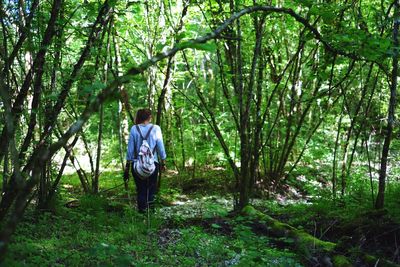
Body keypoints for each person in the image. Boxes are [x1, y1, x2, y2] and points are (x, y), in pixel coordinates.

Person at [124, 108, 166, 213]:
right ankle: (151, 214)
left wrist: (127, 166)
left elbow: (130, 150)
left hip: (137, 165)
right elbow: (160, 148)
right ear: (149, 117)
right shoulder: (156, 128)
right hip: (153, 164)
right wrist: (163, 162)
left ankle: (141, 214)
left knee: (140, 190)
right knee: (151, 190)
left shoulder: (134, 129)